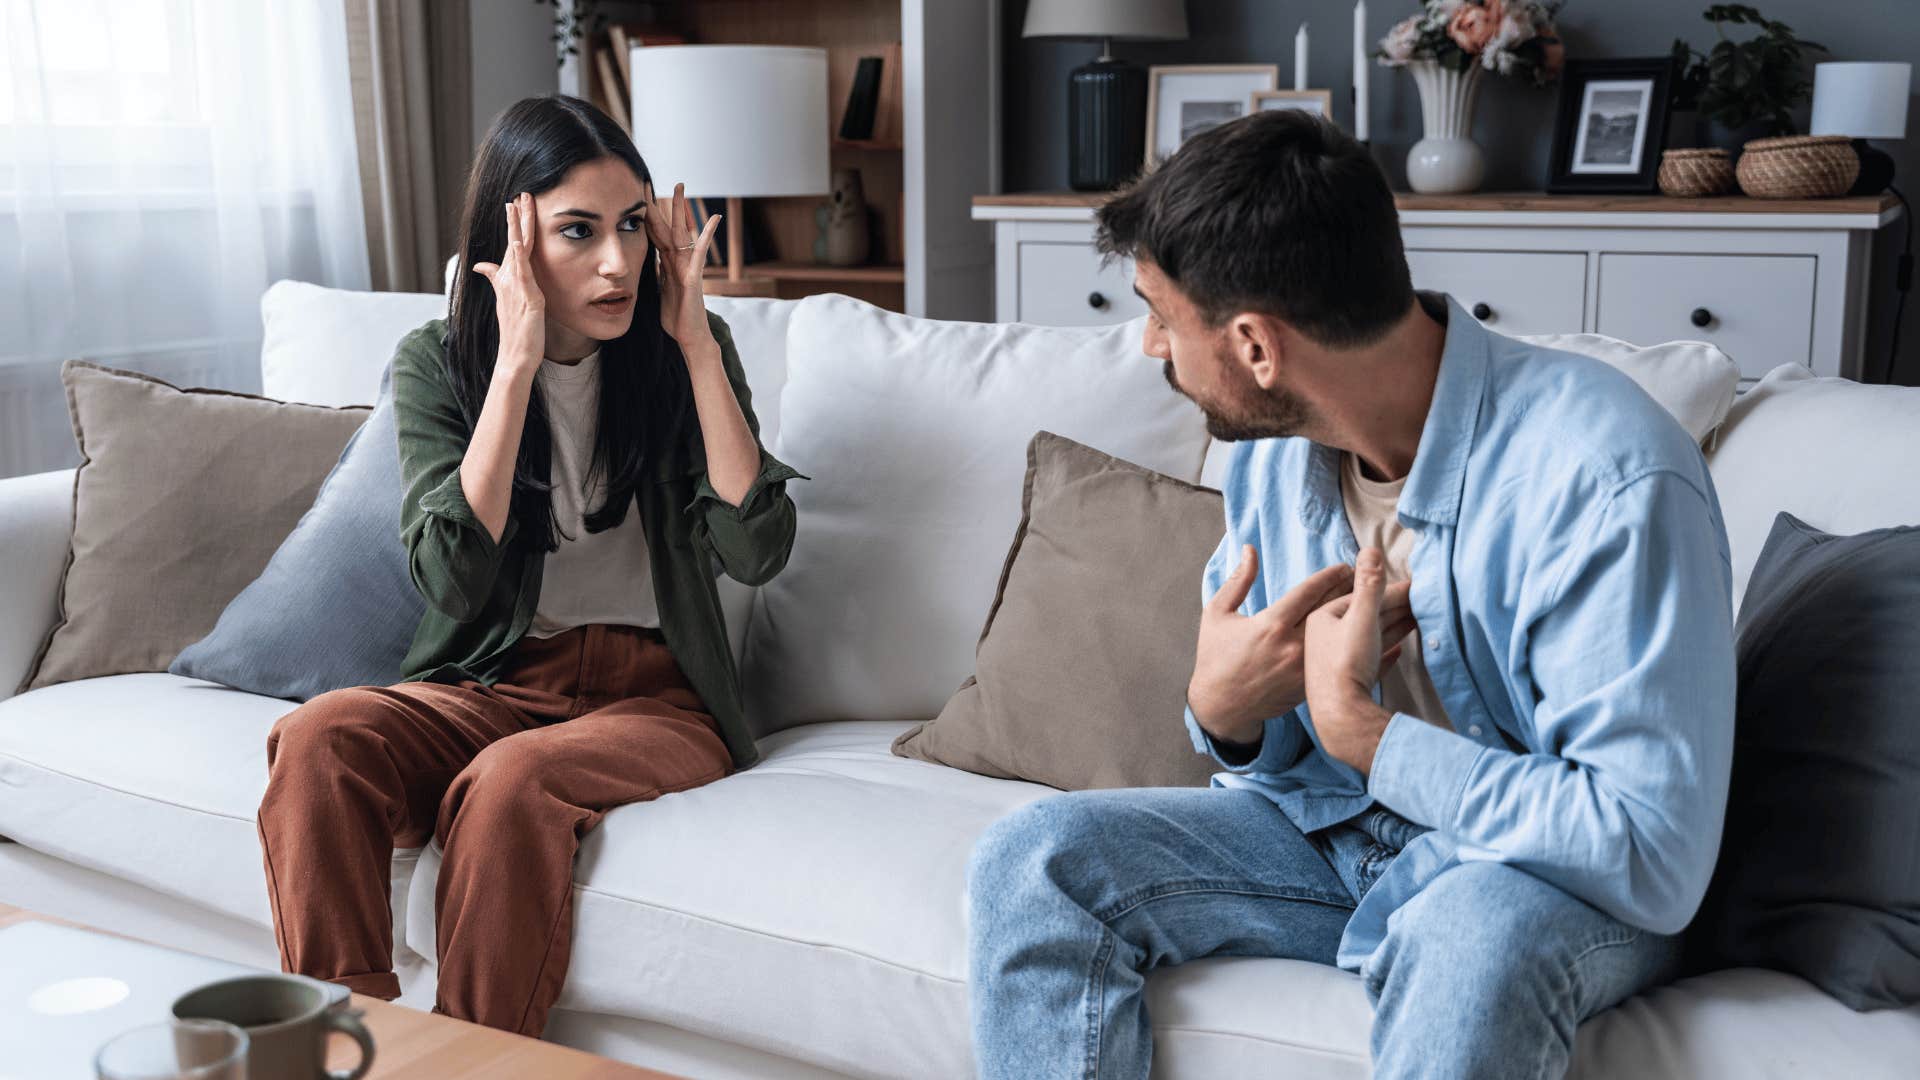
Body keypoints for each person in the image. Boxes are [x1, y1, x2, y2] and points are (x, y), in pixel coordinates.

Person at [965, 109, 1736, 1079]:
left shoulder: (1605, 477)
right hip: (1331, 837)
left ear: (1255, 346)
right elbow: (1265, 756)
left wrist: (1367, 735)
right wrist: (1229, 711)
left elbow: (1647, 851)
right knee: (1036, 859)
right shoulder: (1274, 456)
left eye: (1162, 314)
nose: (1151, 346)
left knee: (1468, 936)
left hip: (1544, 872)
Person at [255, 94, 801, 1038]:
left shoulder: (683, 357)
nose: (618, 261)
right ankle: (344, 1045)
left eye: (634, 227)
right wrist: (512, 370)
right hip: (495, 682)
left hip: (657, 700)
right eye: (578, 231)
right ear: (513, 240)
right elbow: (454, 583)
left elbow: (756, 551)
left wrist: (697, 345)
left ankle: (477, 1059)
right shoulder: (441, 363)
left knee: (510, 784)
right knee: (318, 742)